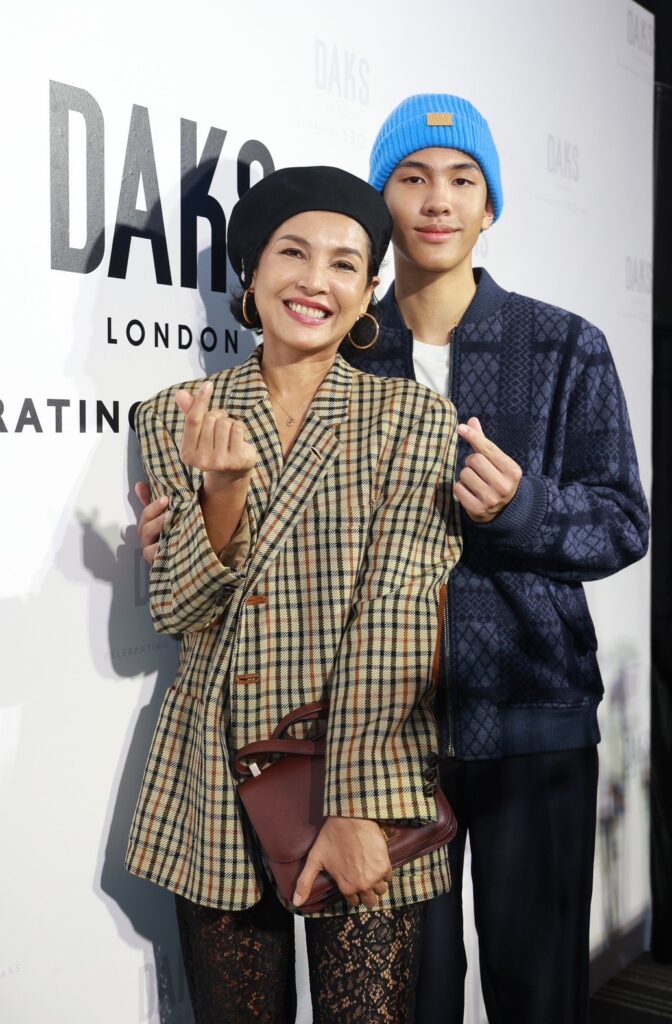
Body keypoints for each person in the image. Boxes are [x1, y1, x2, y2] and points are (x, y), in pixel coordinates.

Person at [137, 96, 650, 1023]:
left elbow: (622, 523)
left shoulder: (564, 344)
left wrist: (524, 508)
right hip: (379, 737)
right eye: (411, 178)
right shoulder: (342, 349)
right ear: (382, 205)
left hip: (527, 713)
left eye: (462, 179)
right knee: (416, 1000)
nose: (437, 200)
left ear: (490, 205)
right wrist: (204, 521)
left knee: (540, 992)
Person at [126, 164, 462, 1024]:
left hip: (365, 769)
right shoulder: (176, 415)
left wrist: (354, 806)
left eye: (345, 264)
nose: (316, 280)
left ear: (370, 292)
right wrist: (224, 492)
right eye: (293, 252)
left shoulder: (413, 420)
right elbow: (177, 612)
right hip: (217, 773)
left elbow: (396, 617)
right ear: (252, 271)